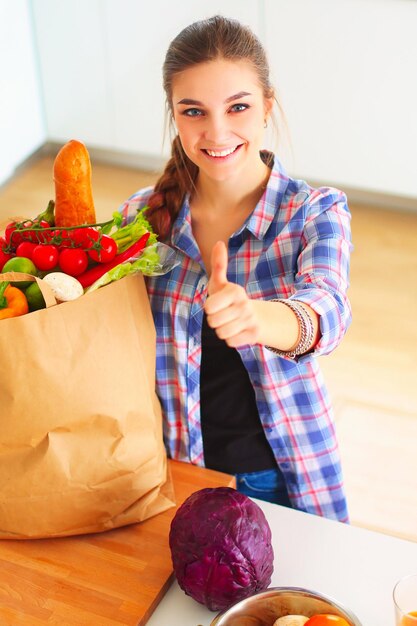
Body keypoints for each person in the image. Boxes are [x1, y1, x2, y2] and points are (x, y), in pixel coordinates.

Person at [119, 15, 352, 522]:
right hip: (172, 475)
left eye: (238, 107)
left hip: (277, 479)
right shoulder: (139, 219)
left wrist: (257, 319)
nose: (216, 131)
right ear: (174, 116)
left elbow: (328, 312)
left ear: (268, 107)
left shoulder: (314, 212)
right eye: (194, 111)